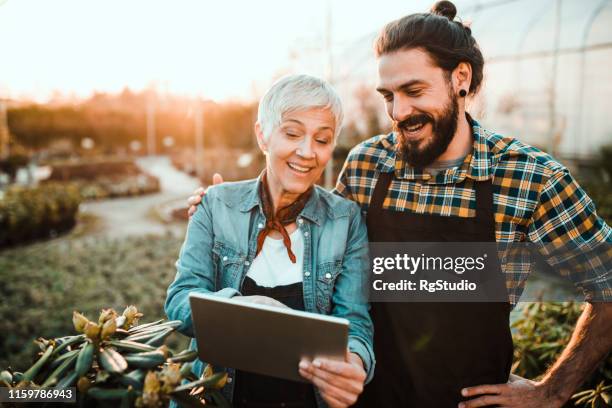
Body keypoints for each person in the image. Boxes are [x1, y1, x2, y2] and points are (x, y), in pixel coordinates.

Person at [188, 2, 612, 407]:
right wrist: (228, 208)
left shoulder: (529, 179)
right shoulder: (368, 165)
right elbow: (322, 244)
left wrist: (554, 390)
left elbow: (607, 282)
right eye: (388, 95)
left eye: (413, 91)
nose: (399, 111)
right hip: (367, 396)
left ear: (460, 78)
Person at [165, 74, 374, 408]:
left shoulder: (346, 220)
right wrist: (241, 307)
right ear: (263, 135)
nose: (307, 152)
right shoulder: (217, 205)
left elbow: (356, 321)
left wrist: (354, 363)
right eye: (292, 133)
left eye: (322, 140)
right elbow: (178, 301)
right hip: (219, 397)